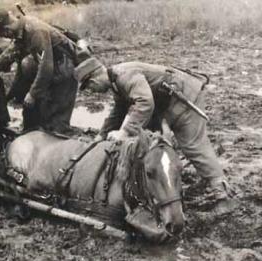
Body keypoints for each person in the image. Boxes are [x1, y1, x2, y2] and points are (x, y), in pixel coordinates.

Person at [74, 58, 232, 203]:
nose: (91, 91)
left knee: (193, 146)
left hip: (186, 97)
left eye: (89, 86)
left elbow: (145, 103)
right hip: (167, 103)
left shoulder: (125, 76)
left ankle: (221, 192)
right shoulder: (116, 83)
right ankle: (155, 181)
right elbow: (119, 111)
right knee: (147, 140)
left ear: (94, 78)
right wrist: (101, 136)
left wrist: (124, 132)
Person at [0, 9, 79, 134]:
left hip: (64, 70)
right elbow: (14, 50)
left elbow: (46, 67)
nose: (4, 37)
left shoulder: (35, 31)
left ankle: (63, 144)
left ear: (6, 29)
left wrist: (33, 93)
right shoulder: (21, 29)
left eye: (2, 34)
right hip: (54, 68)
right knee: (38, 116)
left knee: (56, 124)